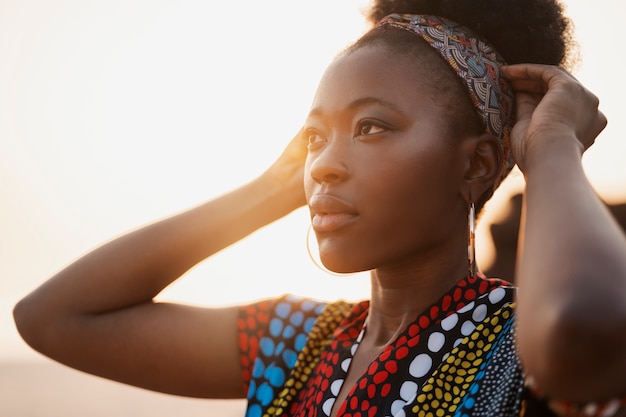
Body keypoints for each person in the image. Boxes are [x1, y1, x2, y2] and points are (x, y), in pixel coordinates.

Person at [13, 0, 626, 415]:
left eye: (372, 127)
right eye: (314, 137)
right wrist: (275, 186)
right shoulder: (296, 345)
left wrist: (550, 149)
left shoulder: (517, 350)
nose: (325, 163)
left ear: (477, 164)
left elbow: (586, 331)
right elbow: (54, 318)